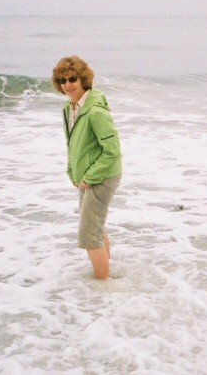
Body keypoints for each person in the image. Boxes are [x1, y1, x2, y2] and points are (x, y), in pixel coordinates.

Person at [52, 55, 122, 279]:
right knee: (95, 228)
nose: (68, 84)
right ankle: (107, 274)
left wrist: (89, 177)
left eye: (72, 79)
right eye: (63, 81)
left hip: (102, 176)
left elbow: (112, 151)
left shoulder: (96, 112)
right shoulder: (69, 108)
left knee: (89, 236)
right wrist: (72, 171)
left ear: (83, 79)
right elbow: (73, 144)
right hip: (87, 176)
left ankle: (103, 285)